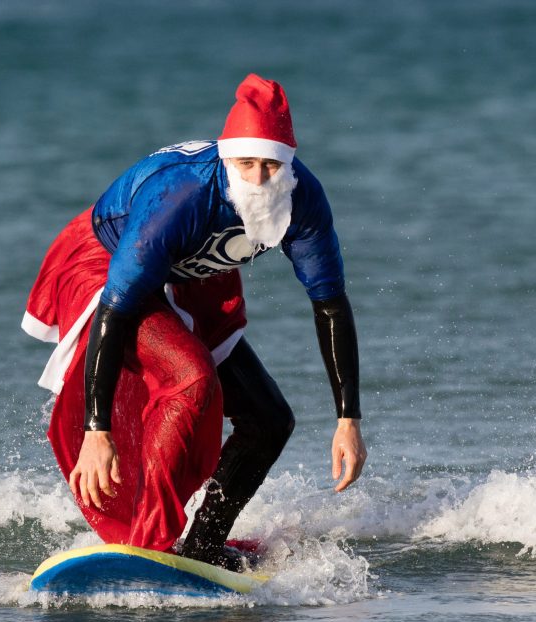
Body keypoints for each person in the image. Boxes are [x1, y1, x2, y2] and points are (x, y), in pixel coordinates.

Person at [23, 73, 367, 570]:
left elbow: (330, 304)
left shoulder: (303, 199)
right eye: (245, 164)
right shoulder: (180, 196)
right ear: (228, 159)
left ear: (288, 164)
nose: (259, 179)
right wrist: (97, 431)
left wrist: (347, 419)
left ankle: (201, 549)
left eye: (271, 165)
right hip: (108, 262)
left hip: (196, 273)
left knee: (270, 421)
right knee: (191, 378)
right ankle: (149, 547)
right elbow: (115, 311)